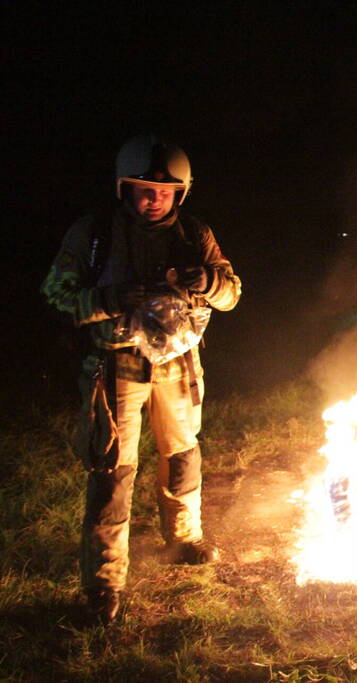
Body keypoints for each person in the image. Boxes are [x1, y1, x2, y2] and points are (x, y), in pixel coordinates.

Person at [41, 134, 241, 622]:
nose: (154, 199)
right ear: (123, 190)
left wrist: (208, 282)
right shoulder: (93, 235)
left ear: (182, 193)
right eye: (144, 190)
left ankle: (185, 540)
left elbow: (231, 293)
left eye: (166, 192)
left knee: (182, 454)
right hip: (116, 367)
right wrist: (109, 298)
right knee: (113, 471)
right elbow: (55, 295)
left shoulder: (196, 234)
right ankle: (104, 584)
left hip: (178, 366)